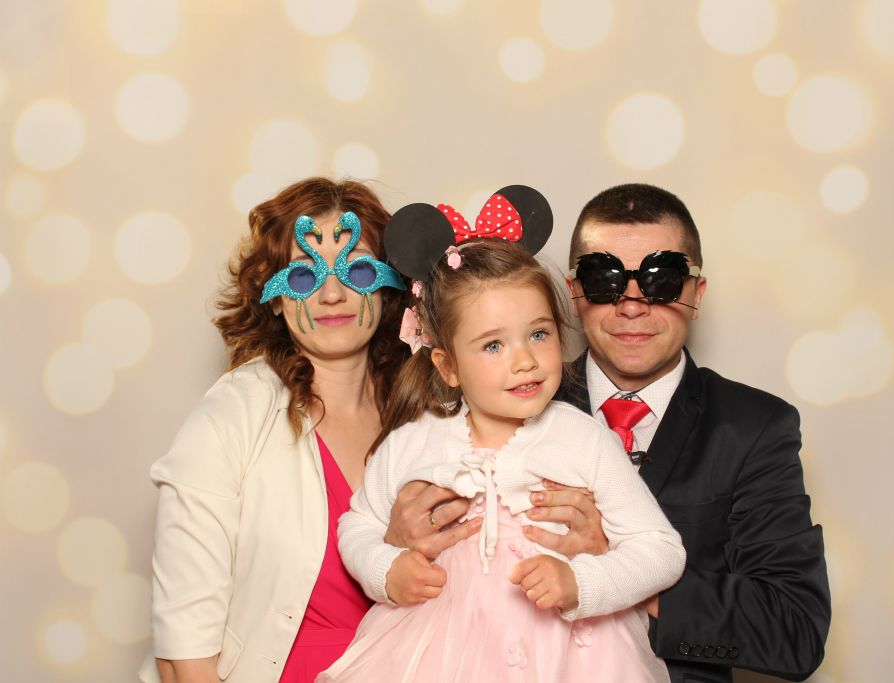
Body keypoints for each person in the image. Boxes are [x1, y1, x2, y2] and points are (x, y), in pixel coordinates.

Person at [385, 183, 831, 683]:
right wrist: (395, 543)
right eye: (604, 278)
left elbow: (795, 633)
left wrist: (615, 566)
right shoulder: (499, 400)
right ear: (574, 294)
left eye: (663, 278)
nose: (633, 303)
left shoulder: (752, 428)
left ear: (695, 294)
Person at [316, 187, 686, 682]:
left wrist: (582, 582)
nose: (525, 360)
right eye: (493, 345)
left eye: (539, 334)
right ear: (447, 366)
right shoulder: (414, 442)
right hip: (440, 653)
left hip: (569, 660)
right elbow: (357, 527)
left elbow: (660, 550)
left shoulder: (583, 439)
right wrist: (386, 570)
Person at [141, 178, 451, 682]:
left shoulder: (431, 412)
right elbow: (183, 652)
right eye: (305, 276)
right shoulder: (230, 416)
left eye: (357, 270)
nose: (332, 294)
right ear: (274, 297)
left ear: (390, 285)